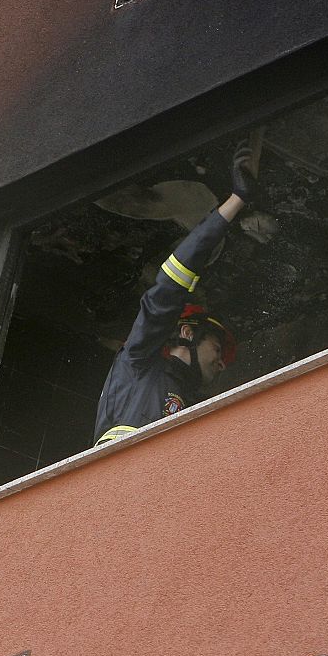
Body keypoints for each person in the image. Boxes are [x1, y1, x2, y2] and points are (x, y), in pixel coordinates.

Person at [93, 145, 261, 445]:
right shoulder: (138, 361)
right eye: (218, 349)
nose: (222, 364)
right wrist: (236, 201)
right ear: (187, 331)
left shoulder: (194, 409)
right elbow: (170, 284)